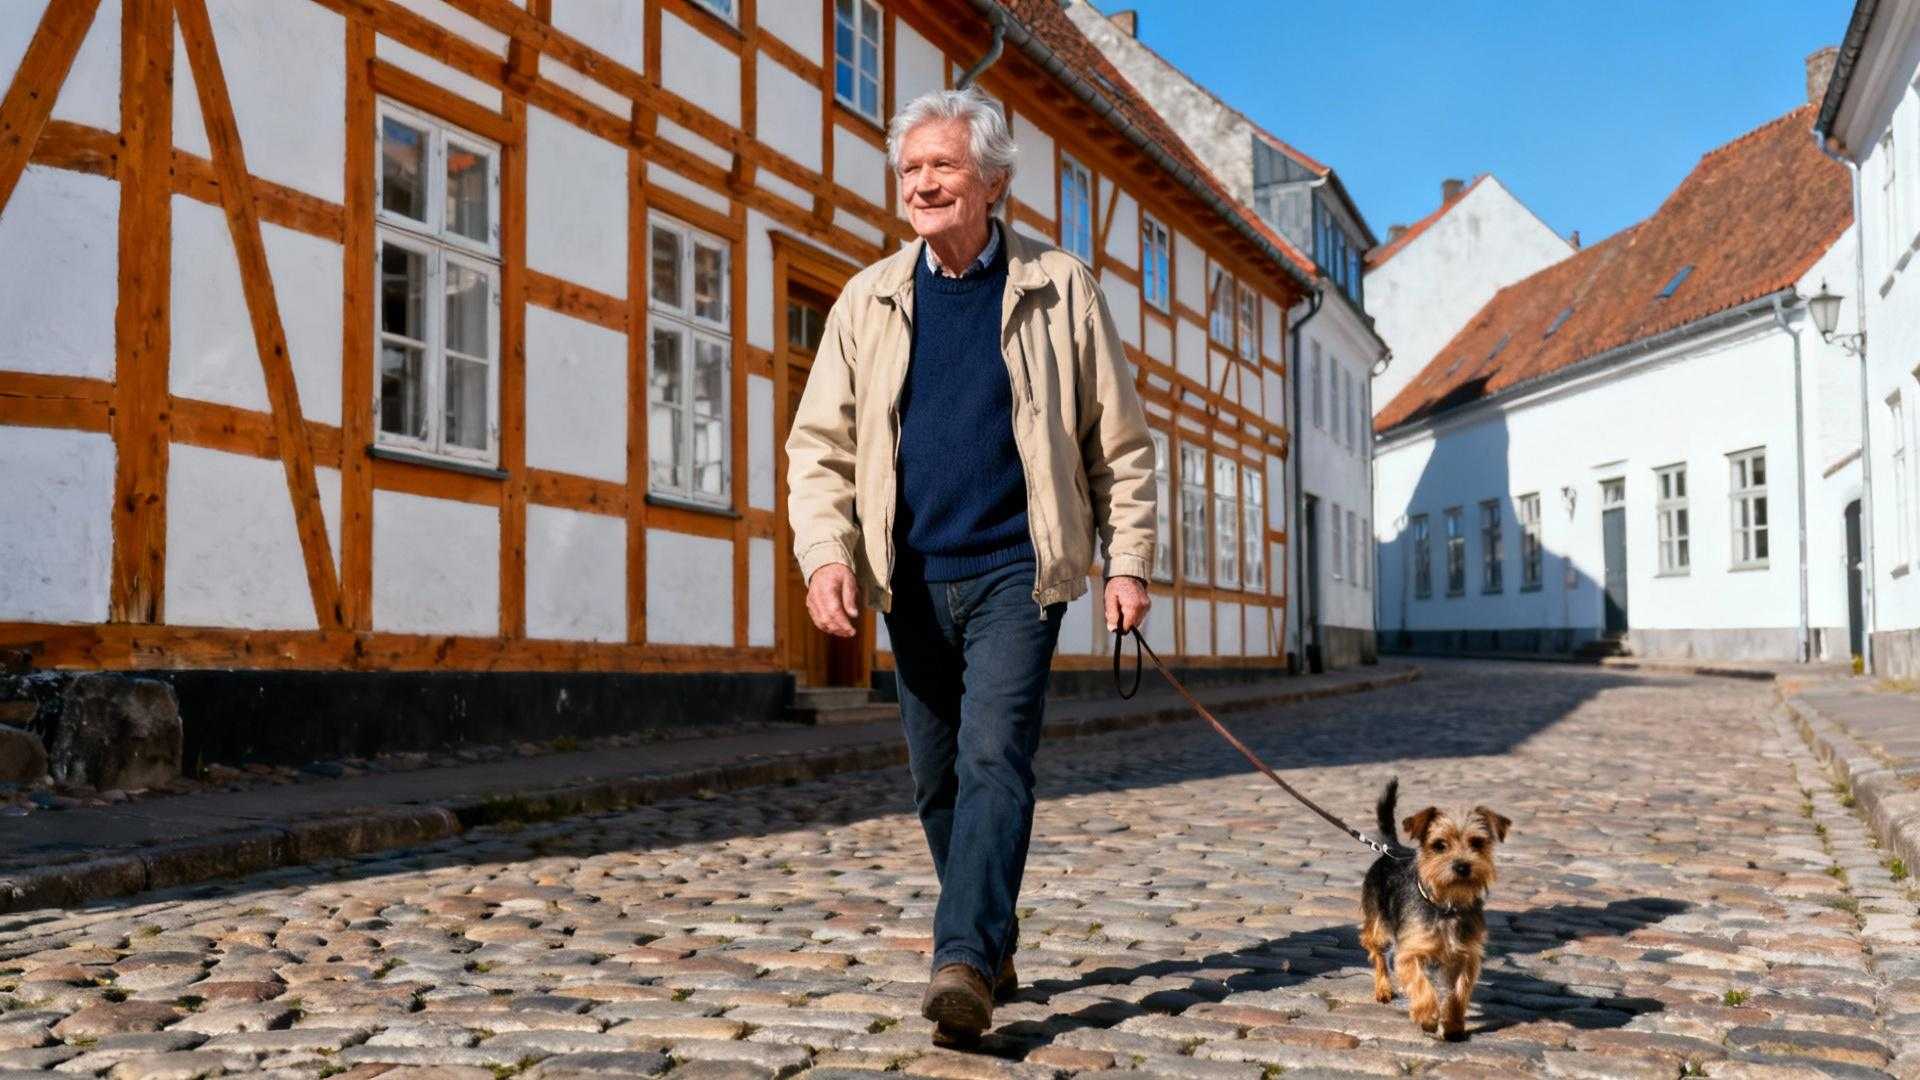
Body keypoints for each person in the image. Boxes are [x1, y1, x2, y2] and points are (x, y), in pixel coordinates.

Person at [785, 87, 1156, 1044]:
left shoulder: (1060, 288)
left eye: (941, 166)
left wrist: (1128, 563)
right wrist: (826, 553)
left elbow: (1119, 444)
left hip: (1016, 574)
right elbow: (816, 445)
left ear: (991, 180)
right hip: (908, 577)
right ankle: (992, 931)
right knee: (937, 781)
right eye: (910, 170)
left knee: (997, 761)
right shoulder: (869, 301)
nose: (922, 184)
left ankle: (960, 963)